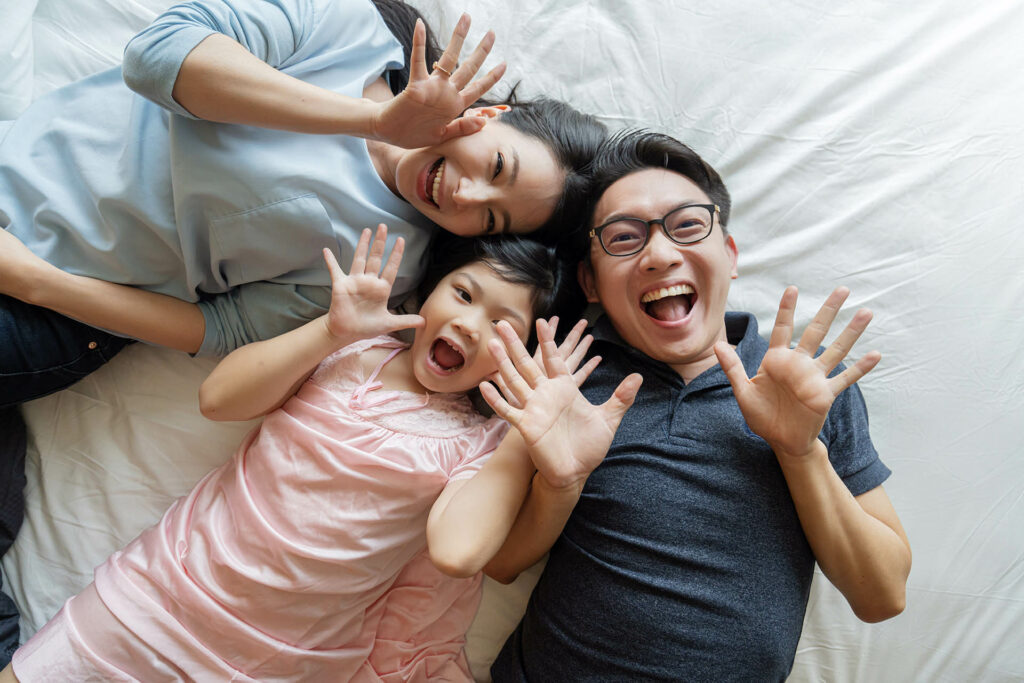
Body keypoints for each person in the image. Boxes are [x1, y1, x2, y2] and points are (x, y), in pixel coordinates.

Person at [0, 0, 607, 659]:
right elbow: (156, 58)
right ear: (489, 116)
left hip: (55, 307)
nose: (466, 197)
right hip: (22, 173)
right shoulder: (349, 28)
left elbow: (217, 330)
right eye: (495, 168)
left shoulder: (384, 266)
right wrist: (374, 120)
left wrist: (37, 282)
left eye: (490, 221)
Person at [0, 224, 638, 682]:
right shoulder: (353, 352)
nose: (470, 324)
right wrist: (329, 330)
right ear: (430, 291)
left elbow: (459, 554)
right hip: (153, 601)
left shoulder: (483, 441)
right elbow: (218, 398)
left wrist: (528, 432)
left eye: (505, 328)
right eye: (463, 294)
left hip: (278, 662)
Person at [482, 130, 913, 681]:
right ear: (589, 280)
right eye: (623, 237)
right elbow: (499, 564)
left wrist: (800, 451)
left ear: (729, 255)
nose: (660, 255)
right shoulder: (570, 382)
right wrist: (557, 483)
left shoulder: (812, 383)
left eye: (687, 226)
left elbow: (882, 597)